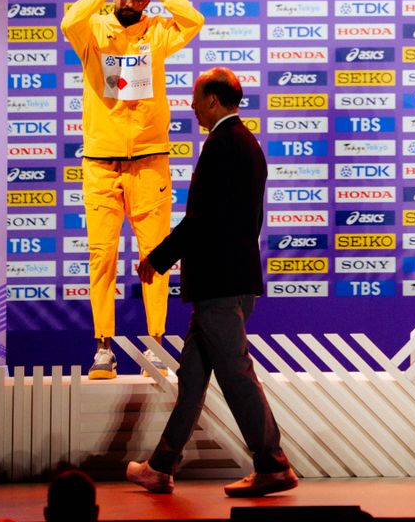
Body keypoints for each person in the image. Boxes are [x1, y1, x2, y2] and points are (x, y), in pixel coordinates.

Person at [124, 67, 296, 498]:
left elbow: (202, 219)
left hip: (219, 284)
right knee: (193, 376)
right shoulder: (246, 143)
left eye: (196, 97)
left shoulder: (223, 145)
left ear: (214, 102)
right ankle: (160, 466)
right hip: (231, 281)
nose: (191, 105)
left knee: (235, 374)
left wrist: (158, 258)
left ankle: (272, 463)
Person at [60, 0, 205, 378]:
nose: (129, 1)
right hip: (101, 164)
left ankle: (156, 346)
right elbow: (69, 20)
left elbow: (194, 21)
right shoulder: (92, 30)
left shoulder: (158, 31)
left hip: (149, 162)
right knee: (101, 256)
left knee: (155, 257)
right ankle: (102, 346)